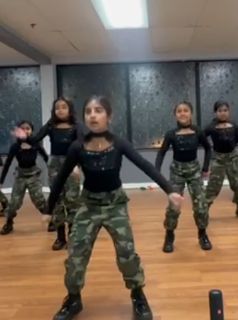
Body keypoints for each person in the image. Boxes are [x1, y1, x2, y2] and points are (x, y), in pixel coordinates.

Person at [20, 96, 183, 320]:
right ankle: (73, 299)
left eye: (98, 111)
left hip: (115, 205)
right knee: (75, 253)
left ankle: (138, 295)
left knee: (126, 252)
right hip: (89, 204)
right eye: (88, 111)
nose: (93, 115)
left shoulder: (119, 143)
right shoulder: (77, 147)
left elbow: (145, 165)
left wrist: (169, 190)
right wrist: (48, 210)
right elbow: (60, 178)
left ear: (109, 116)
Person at [24, 97, 83, 250]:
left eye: (64, 107)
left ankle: (72, 236)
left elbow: (82, 146)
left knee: (72, 200)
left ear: (70, 109)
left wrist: (77, 164)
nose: (60, 110)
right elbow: (35, 139)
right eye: (57, 108)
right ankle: (60, 237)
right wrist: (24, 137)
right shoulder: (50, 126)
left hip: (71, 164)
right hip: (54, 165)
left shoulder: (76, 126)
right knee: (57, 200)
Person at [154, 101, 212, 253]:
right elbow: (161, 152)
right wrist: (156, 170)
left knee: (201, 206)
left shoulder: (198, 132)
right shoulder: (171, 134)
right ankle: (169, 236)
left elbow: (208, 148)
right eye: (179, 111)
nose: (183, 113)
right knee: (173, 207)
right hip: (177, 172)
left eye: (186, 110)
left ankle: (202, 234)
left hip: (194, 171)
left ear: (191, 113)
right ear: (175, 115)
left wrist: (205, 168)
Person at [204, 101, 238, 220]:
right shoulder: (211, 127)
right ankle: (203, 211)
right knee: (213, 186)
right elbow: (201, 137)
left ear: (229, 112)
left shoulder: (233, 125)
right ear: (215, 112)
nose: (223, 113)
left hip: (233, 158)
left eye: (225, 110)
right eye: (220, 111)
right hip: (218, 160)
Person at [0, 121, 50, 235]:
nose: (25, 131)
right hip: (20, 176)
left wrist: (53, 172)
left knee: (39, 200)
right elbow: (7, 163)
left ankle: (50, 220)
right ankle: (9, 223)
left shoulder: (36, 145)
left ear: (32, 131)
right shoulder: (15, 146)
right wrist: (1, 180)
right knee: (14, 203)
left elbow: (46, 158)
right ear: (18, 131)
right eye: (23, 129)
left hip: (33, 175)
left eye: (28, 129)